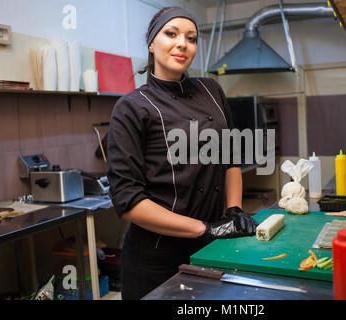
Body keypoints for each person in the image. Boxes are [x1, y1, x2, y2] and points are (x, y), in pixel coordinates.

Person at [106, 7, 258, 300]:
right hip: (157, 259)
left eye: (191, 38)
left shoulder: (211, 90)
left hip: (212, 248)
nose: (182, 44)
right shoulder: (132, 107)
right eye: (171, 34)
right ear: (151, 43)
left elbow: (229, 160)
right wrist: (205, 229)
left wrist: (234, 211)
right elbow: (129, 201)